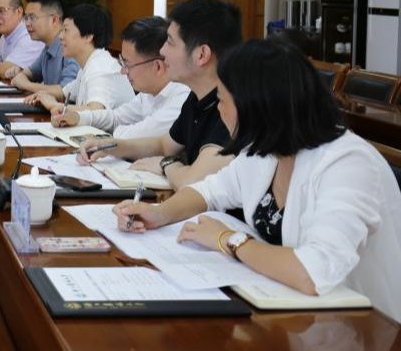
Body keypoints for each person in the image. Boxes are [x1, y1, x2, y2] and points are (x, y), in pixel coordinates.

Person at [112, 39, 401, 323]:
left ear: (255, 106)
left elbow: (313, 272)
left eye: (222, 100)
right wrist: (159, 214)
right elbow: (211, 191)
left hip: (365, 328)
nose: (219, 110)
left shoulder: (347, 164)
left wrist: (229, 240)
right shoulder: (267, 149)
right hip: (292, 315)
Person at [79, 0, 243, 189]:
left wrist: (166, 164)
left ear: (201, 54)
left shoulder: (230, 106)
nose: (162, 51)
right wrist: (111, 146)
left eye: (170, 42)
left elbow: (193, 180)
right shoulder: (197, 97)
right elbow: (164, 145)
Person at [54, 16, 190, 138]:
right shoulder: (148, 93)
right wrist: (78, 118)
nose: (123, 71)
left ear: (157, 67)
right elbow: (116, 118)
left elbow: (137, 135)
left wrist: (104, 136)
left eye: (127, 64)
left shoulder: (182, 99)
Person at [26, 4, 134, 113]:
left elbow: (95, 111)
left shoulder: (100, 68)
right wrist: (42, 95)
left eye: (66, 30)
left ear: (88, 36)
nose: (60, 36)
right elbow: (64, 94)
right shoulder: (89, 64)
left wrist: (55, 105)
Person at [5, 0, 79, 93]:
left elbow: (66, 92)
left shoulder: (70, 47)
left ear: (54, 20)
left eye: (32, 18)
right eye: (26, 18)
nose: (27, 24)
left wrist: (26, 85)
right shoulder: (48, 47)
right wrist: (19, 72)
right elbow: (30, 73)